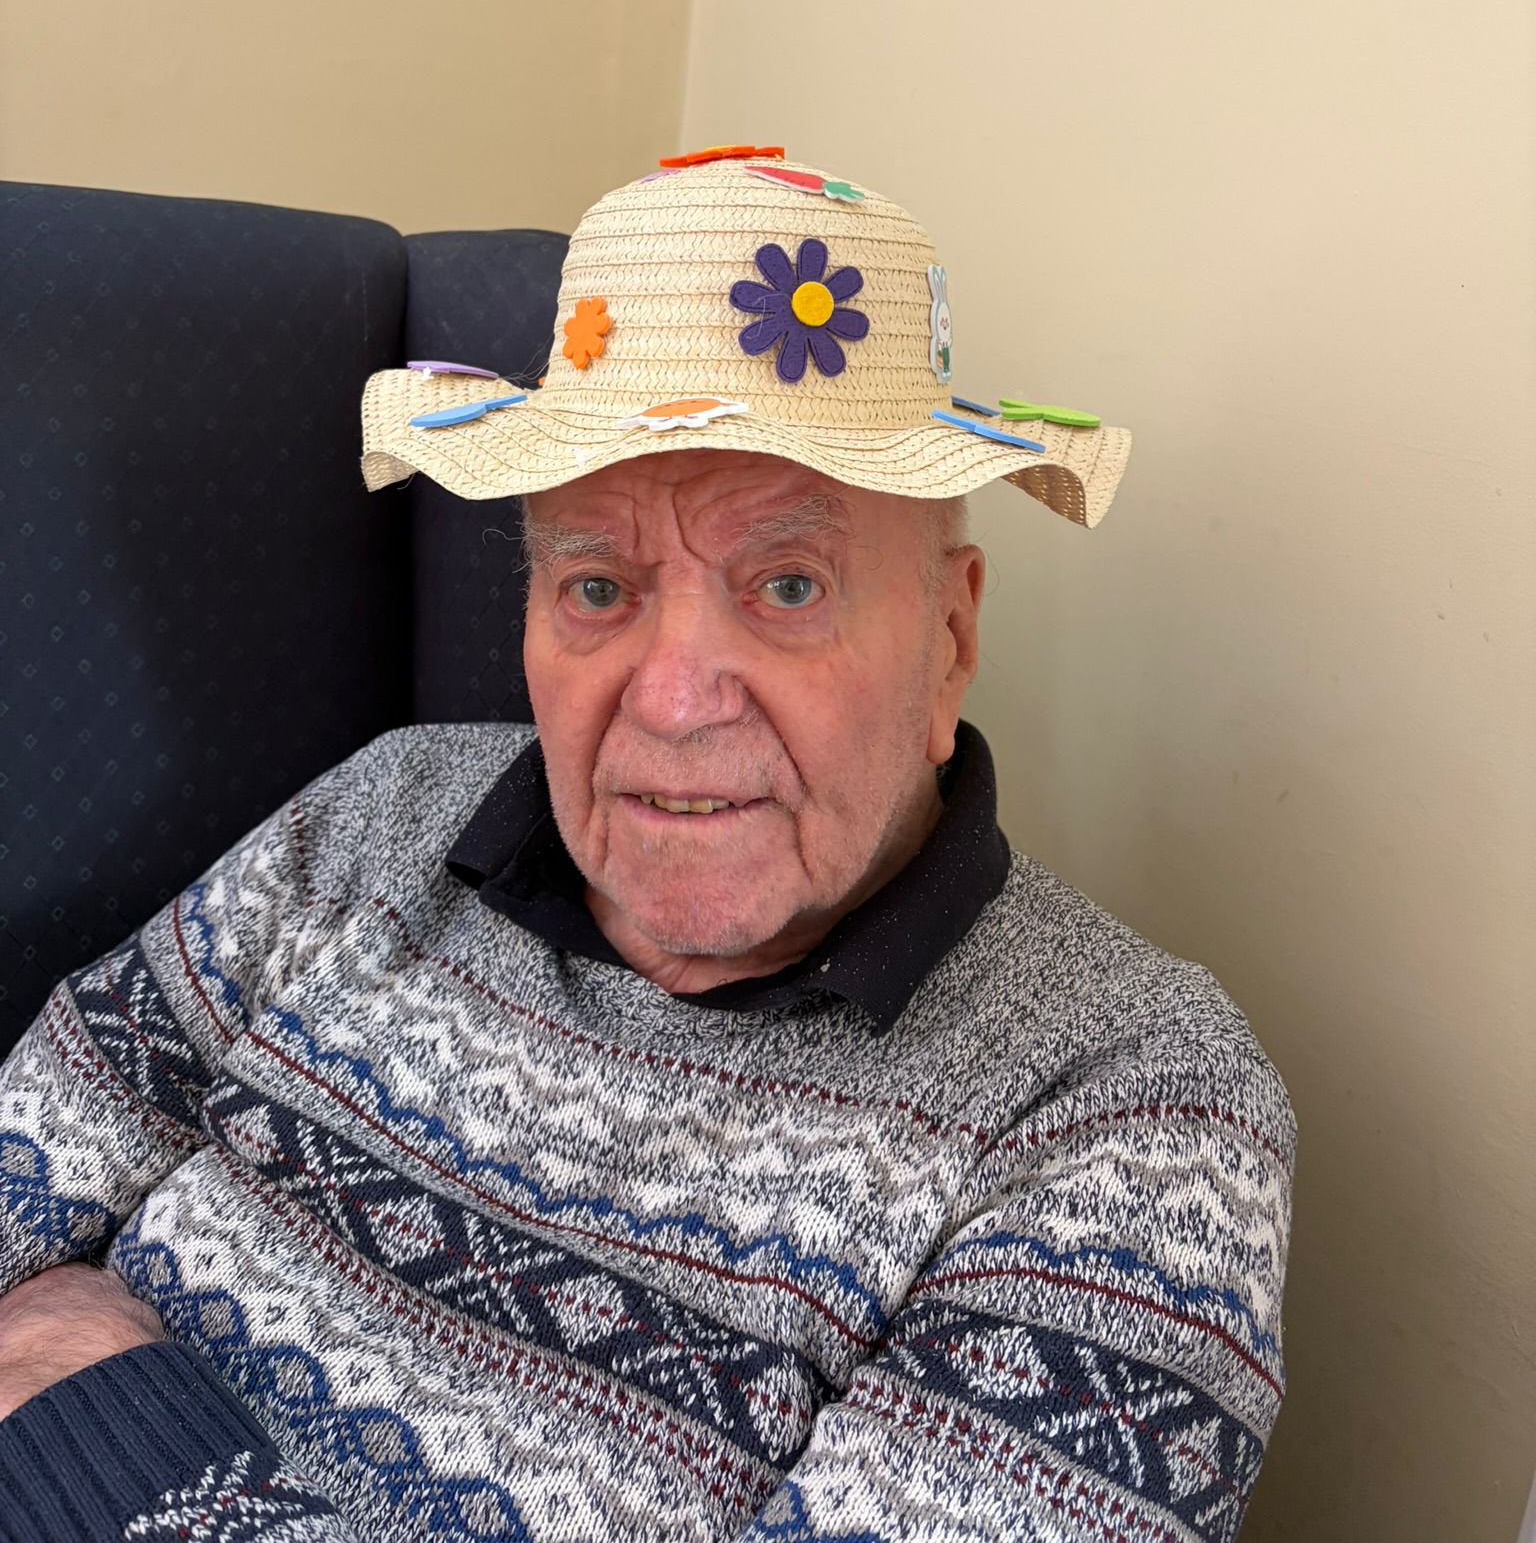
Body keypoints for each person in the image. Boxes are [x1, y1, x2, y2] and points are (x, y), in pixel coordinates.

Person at [0, 149, 1294, 1542]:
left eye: (787, 586)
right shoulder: (387, 808)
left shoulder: (1132, 1103)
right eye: (599, 586)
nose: (673, 700)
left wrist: (80, 1402)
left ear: (949, 643)